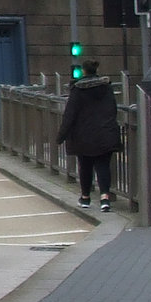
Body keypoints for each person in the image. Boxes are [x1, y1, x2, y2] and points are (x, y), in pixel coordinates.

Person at [56, 70, 121, 210]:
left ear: (84, 72)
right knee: (103, 165)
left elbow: (69, 115)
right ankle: (105, 198)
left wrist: (61, 136)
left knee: (85, 166)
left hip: (83, 135)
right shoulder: (107, 88)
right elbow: (113, 110)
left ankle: (85, 198)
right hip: (105, 133)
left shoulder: (77, 90)